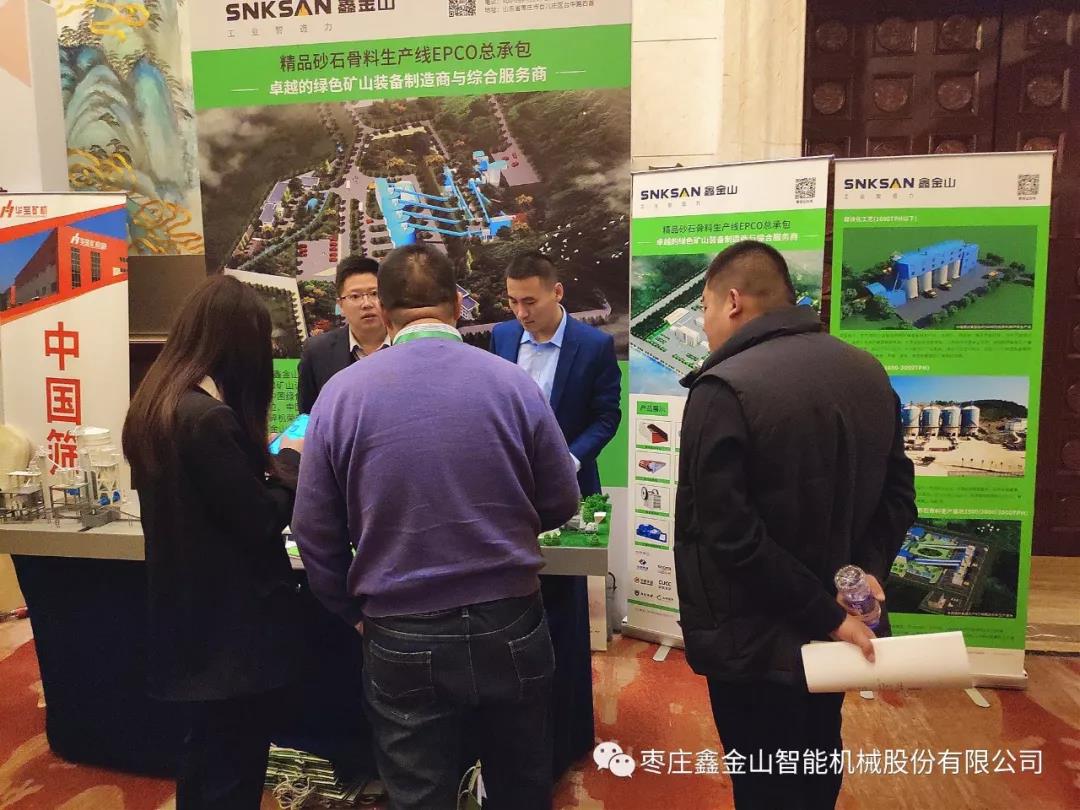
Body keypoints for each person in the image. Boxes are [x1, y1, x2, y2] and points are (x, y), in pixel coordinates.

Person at [292, 243, 580, 809]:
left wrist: (351, 611)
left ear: (386, 310)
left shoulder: (340, 396)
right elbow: (560, 499)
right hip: (510, 617)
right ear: (457, 305)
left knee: (419, 794)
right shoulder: (512, 383)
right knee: (521, 785)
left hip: (398, 628)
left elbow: (314, 532)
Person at [674, 241, 916, 810]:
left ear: (733, 301)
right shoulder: (865, 370)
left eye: (703, 308)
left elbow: (729, 535)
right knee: (816, 757)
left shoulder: (724, 388)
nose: (703, 326)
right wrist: (862, 577)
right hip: (838, 628)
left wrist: (826, 615)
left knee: (764, 778)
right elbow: (898, 495)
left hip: (754, 640)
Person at [122, 275, 306, 809]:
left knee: (204, 757)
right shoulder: (208, 419)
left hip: (189, 618)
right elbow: (258, 519)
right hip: (233, 632)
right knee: (234, 765)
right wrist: (292, 462)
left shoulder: (156, 406)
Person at [490, 250, 621, 775]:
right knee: (513, 603)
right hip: (508, 494)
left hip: (568, 492)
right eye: (513, 302)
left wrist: (566, 459)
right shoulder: (502, 338)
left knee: (564, 610)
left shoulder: (593, 346)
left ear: (557, 292)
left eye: (531, 301)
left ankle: (568, 734)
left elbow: (606, 416)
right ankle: (517, 731)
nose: (521, 313)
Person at [297, 255, 387, 413]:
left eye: (374, 293)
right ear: (341, 305)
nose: (366, 304)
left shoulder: (407, 344)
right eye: (355, 296)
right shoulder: (317, 352)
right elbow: (308, 416)